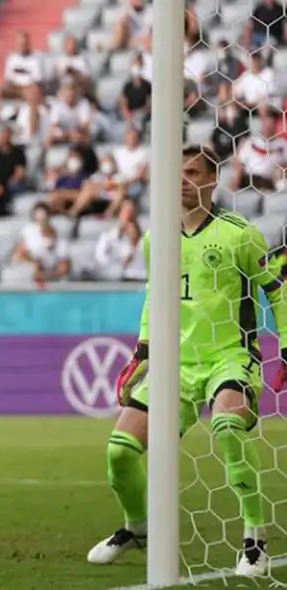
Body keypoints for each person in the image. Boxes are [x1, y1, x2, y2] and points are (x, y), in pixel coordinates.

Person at [88, 145, 280, 578]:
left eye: (192, 172)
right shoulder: (157, 237)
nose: (182, 181)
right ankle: (137, 527)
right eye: (177, 172)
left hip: (230, 356)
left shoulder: (239, 234)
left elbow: (276, 291)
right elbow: (154, 297)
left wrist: (285, 346)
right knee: (119, 452)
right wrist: (143, 350)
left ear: (213, 179)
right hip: (177, 363)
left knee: (228, 428)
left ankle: (255, 538)